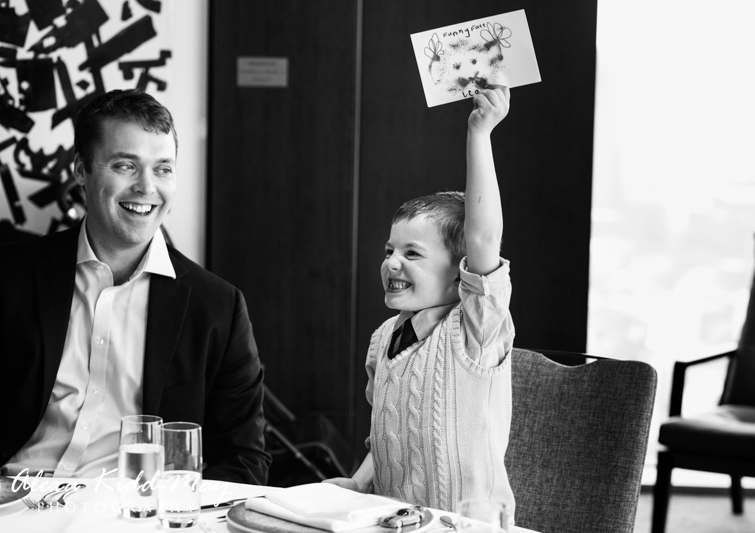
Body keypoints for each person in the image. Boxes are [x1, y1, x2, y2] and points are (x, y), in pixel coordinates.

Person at [0, 89, 270, 485]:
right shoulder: (9, 276)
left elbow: (243, 459)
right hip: (14, 501)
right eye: (125, 165)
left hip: (138, 509)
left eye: (163, 168)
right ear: (81, 170)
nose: (147, 187)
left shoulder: (218, 307)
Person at [325, 86, 515, 516]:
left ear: (461, 271)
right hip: (392, 521)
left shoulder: (476, 330)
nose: (392, 262)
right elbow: (387, 438)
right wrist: (358, 482)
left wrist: (480, 133)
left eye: (412, 254)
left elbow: (484, 237)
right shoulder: (382, 339)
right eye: (389, 250)